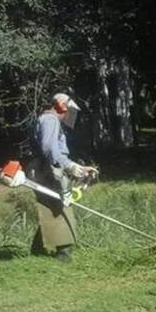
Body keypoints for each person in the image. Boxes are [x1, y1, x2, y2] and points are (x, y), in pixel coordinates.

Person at [29, 93, 97, 262]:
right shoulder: (50, 120)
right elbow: (49, 149)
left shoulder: (52, 121)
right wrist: (69, 166)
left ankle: (37, 250)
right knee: (59, 206)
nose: (70, 115)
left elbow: (57, 152)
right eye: (70, 110)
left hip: (48, 167)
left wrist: (78, 167)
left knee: (51, 206)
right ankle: (63, 255)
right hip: (45, 168)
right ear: (61, 105)